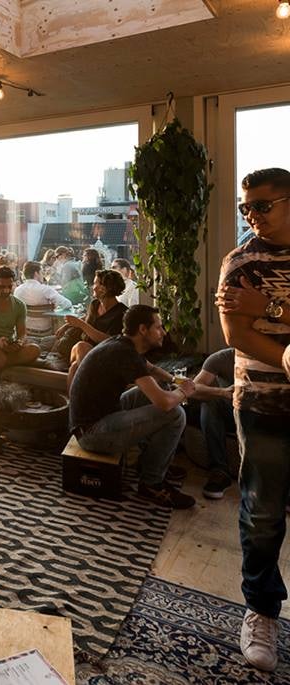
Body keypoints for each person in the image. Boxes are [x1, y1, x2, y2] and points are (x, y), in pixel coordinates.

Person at [215, 168, 290, 672]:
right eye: (246, 208)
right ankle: (262, 609)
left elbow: (256, 316)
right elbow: (234, 333)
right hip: (261, 401)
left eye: (262, 205)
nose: (252, 216)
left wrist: (273, 305)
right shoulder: (240, 261)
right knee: (262, 511)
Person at [69, 305, 195, 510]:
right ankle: (151, 483)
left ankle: (151, 463)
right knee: (174, 412)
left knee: (160, 389)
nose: (163, 332)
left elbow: (151, 369)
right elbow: (163, 403)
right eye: (159, 327)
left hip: (101, 417)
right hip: (92, 434)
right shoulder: (125, 353)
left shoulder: (122, 344)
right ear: (143, 330)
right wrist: (184, 392)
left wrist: (176, 381)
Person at [62, 269, 128, 390]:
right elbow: (87, 320)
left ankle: (75, 405)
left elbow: (111, 341)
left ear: (105, 288)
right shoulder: (94, 305)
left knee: (74, 368)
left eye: (96, 283)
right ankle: (92, 388)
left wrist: (82, 325)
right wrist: (67, 326)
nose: (93, 287)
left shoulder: (122, 313)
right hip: (83, 352)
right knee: (82, 347)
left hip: (104, 354)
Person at [190, 347, 235, 499]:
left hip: (267, 413)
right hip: (233, 413)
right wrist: (223, 392)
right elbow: (194, 389)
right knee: (210, 401)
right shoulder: (222, 358)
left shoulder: (277, 354)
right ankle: (219, 471)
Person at [14, 261, 72, 336]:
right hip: (44, 332)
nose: (43, 275)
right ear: (36, 274)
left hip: (25, 332)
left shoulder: (17, 290)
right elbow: (67, 304)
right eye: (41, 272)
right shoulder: (45, 290)